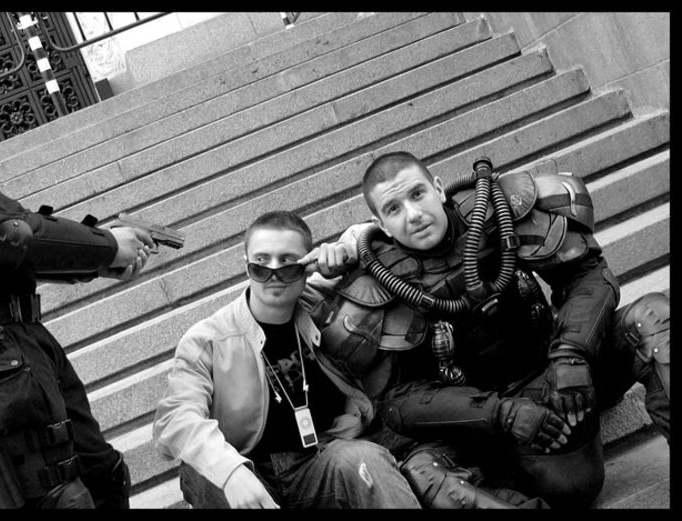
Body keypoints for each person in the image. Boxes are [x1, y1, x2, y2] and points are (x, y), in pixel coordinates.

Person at [297, 151, 670, 508]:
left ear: (439, 188)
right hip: (492, 431)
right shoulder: (378, 282)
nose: (413, 214)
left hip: (567, 382)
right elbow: (398, 401)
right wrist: (501, 414)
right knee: (424, 473)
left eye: (417, 194)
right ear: (379, 224)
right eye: (394, 209)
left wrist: (572, 352)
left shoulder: (496, 211)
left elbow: (587, 273)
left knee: (652, 317)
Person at [0, 37, 160, 509]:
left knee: (101, 475)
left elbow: (13, 226)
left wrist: (99, 258)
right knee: (57, 498)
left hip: (14, 335)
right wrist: (105, 248)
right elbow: (1, 236)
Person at [151, 211, 422, 509]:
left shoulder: (318, 301)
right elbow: (175, 418)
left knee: (365, 459)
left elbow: (375, 239)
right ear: (246, 264)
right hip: (248, 468)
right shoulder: (208, 340)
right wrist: (230, 472)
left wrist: (342, 253)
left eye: (287, 262)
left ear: (307, 265)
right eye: (261, 262)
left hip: (318, 461)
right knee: (203, 471)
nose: (274, 273)